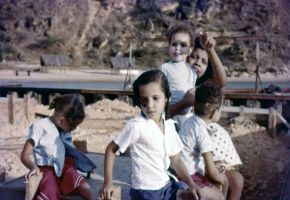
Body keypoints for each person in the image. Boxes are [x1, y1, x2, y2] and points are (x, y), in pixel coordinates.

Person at [99, 70, 204, 200]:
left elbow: (176, 160)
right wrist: (108, 183)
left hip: (166, 183)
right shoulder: (137, 125)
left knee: (200, 196)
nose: (150, 105)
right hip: (146, 191)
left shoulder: (169, 125)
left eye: (155, 98)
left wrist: (191, 184)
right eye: (144, 100)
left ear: (166, 97)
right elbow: (111, 149)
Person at [20, 94, 94, 200]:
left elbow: (70, 151)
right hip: (46, 169)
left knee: (77, 178)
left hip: (63, 166)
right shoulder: (40, 126)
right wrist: (33, 167)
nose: (73, 129)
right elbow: (25, 155)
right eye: (72, 126)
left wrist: (85, 165)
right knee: (49, 188)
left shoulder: (63, 129)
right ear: (62, 120)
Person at [179, 82, 228, 200]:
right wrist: (224, 180)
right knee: (220, 196)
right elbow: (211, 171)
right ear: (215, 111)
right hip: (189, 177)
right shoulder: (203, 133)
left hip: (179, 171)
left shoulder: (190, 122)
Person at [159, 24, 197, 128]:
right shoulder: (165, 68)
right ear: (169, 46)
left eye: (183, 45)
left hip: (188, 118)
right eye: (174, 44)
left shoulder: (192, 72)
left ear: (190, 50)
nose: (177, 48)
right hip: (172, 117)